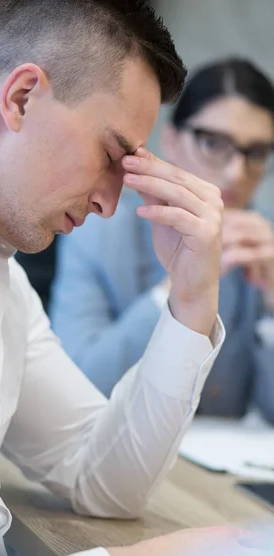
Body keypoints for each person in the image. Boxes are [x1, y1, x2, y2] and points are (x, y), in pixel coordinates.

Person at [0, 1, 243, 556]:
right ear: (21, 97)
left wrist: (192, 297)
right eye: (110, 156)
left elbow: (102, 478)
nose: (108, 204)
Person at [51, 57, 274, 423]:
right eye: (215, 143)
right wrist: (181, 284)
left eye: (257, 153)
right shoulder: (100, 228)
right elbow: (75, 387)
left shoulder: (264, 241)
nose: (237, 173)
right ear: (171, 140)